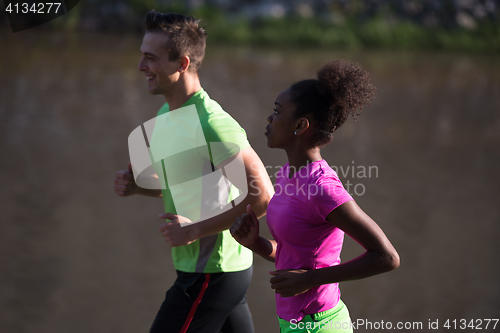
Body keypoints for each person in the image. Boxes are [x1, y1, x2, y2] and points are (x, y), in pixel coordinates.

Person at [114, 10, 273, 333]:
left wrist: (194, 230)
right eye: (141, 56)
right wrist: (139, 187)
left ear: (182, 64)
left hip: (212, 274)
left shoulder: (213, 124)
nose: (141, 66)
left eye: (150, 58)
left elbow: (263, 197)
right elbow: (182, 186)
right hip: (212, 272)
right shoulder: (165, 114)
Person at [230, 60, 400, 333]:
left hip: (320, 325)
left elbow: (387, 257)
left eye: (277, 111)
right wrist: (255, 243)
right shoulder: (287, 173)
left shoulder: (322, 188)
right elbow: (297, 257)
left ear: (300, 125)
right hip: (294, 324)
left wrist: (312, 280)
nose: (269, 118)